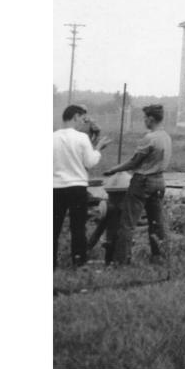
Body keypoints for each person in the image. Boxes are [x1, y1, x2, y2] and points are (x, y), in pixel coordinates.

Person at [105, 104, 172, 265]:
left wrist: (114, 169)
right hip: (159, 181)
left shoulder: (149, 138)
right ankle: (159, 257)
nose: (144, 121)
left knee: (127, 223)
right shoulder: (166, 137)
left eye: (144, 118)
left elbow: (134, 162)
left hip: (142, 182)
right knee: (157, 222)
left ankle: (121, 261)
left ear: (150, 119)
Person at [54, 104, 111, 267]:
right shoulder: (81, 138)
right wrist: (98, 148)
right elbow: (90, 162)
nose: (82, 123)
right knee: (78, 227)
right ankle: (78, 262)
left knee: (53, 228)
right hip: (77, 187)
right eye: (82, 118)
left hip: (55, 187)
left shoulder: (52, 137)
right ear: (76, 116)